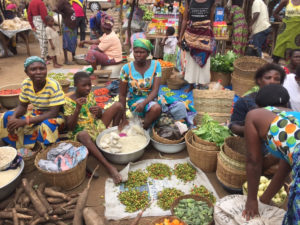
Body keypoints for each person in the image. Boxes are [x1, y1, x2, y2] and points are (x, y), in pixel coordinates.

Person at [243, 84, 300, 224]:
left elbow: (254, 161)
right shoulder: (295, 117)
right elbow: (284, 168)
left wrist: (251, 200)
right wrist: (264, 200)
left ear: (258, 105)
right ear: (286, 103)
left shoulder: (255, 115)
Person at [64, 72, 123, 184]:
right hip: (81, 133)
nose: (88, 88)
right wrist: (77, 108)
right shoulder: (68, 101)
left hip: (96, 126)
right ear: (76, 85)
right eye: (84, 85)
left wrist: (100, 112)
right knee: (83, 135)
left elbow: (98, 116)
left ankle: (114, 138)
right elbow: (70, 127)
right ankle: (108, 166)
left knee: (118, 106)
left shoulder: (89, 95)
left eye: (89, 85)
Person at [0, 56, 65, 149]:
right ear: (26, 72)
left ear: (46, 70)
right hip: (36, 113)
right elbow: (22, 106)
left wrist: (26, 121)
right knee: (7, 116)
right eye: (33, 69)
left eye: (41, 69)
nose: (38, 72)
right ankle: (13, 146)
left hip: (56, 116)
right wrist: (13, 118)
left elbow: (53, 113)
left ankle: (44, 150)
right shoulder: (26, 84)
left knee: (47, 125)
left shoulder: (53, 85)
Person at [230, 63, 286, 136]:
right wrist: (257, 128)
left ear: (280, 83)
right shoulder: (245, 101)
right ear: (259, 80)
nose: (272, 81)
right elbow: (234, 127)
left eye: (277, 79)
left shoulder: (284, 101)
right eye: (268, 78)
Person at [119, 38, 162, 130]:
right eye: (136, 52)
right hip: (135, 101)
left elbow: (155, 90)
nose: (138, 55)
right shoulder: (126, 68)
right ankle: (143, 127)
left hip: (151, 98)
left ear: (148, 53)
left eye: (142, 52)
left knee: (158, 108)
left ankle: (143, 128)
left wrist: (144, 103)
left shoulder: (156, 65)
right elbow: (122, 95)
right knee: (154, 109)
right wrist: (123, 118)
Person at [178, 0, 216, 93]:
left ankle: (201, 84)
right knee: (191, 61)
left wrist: (212, 37)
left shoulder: (211, 2)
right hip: (191, 35)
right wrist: (180, 37)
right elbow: (184, 19)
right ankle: (191, 84)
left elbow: (211, 21)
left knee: (204, 61)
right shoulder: (189, 1)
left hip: (205, 36)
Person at [55, 0, 77, 65]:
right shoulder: (62, 2)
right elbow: (55, 9)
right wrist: (62, 14)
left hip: (73, 26)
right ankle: (66, 60)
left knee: (74, 42)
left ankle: (74, 57)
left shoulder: (68, 2)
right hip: (68, 26)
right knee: (66, 43)